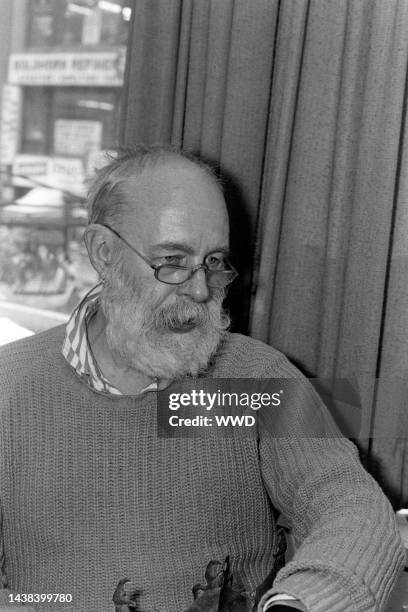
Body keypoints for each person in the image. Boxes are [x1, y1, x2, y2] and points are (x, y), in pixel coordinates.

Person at [0, 147, 404, 612]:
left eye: (214, 261)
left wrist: (299, 603)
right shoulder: (10, 387)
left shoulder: (257, 380)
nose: (198, 290)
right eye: (172, 259)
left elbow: (350, 505)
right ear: (103, 252)